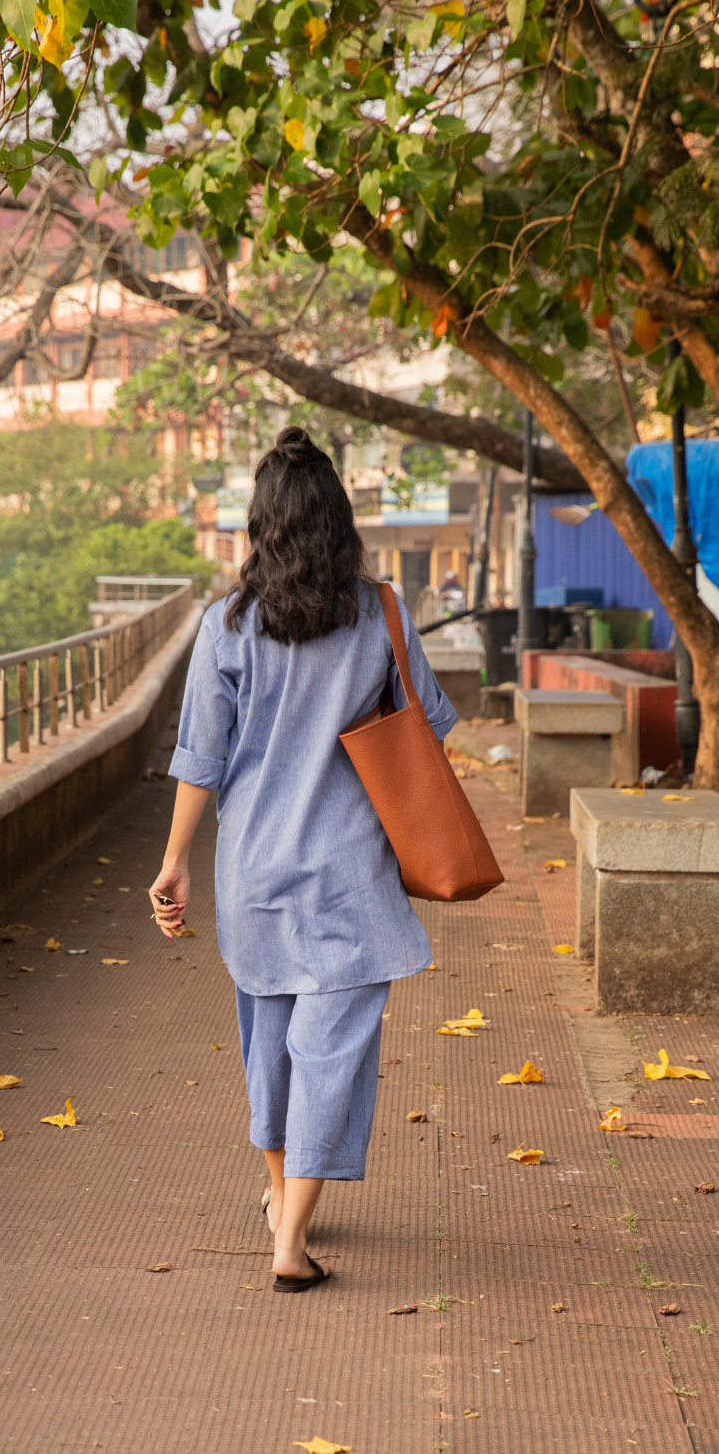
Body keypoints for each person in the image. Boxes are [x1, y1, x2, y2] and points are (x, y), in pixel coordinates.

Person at [149, 425, 456, 1294]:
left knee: (271, 1049)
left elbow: (200, 759)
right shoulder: (380, 612)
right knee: (331, 1051)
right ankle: (289, 1238)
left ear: (261, 525)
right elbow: (429, 726)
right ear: (338, 522)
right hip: (351, 874)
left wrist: (174, 862)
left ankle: (284, 1198)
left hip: (254, 872)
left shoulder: (226, 626)